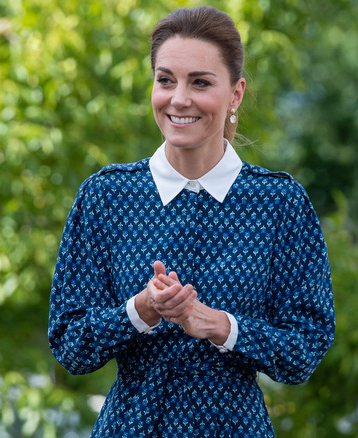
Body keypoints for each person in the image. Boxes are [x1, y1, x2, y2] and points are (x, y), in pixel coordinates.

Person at [48, 6, 335, 437]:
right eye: (165, 80)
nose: (178, 98)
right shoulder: (106, 196)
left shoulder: (280, 203)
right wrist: (139, 310)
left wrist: (221, 326)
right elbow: (70, 346)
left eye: (200, 82)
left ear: (235, 94)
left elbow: (306, 347)